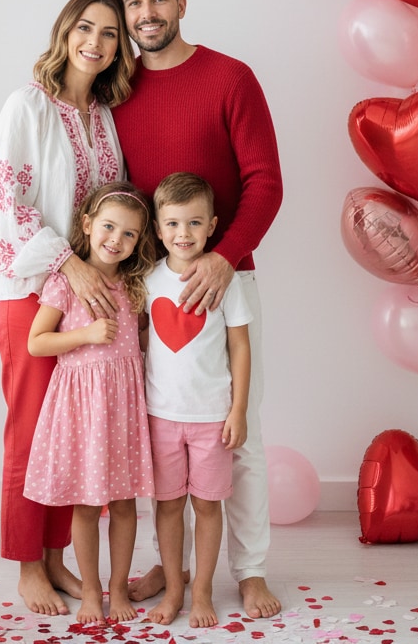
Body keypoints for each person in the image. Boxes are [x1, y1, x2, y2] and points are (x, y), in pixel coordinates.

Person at [110, 0, 283, 620]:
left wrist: (226, 256)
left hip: (225, 280)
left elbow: (266, 183)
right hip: (149, 290)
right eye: (133, 3)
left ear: (181, 5)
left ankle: (253, 569)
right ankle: (175, 571)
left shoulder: (231, 78)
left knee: (239, 434)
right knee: (163, 435)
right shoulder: (117, 90)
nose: (145, 14)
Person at [0, 0, 137, 616]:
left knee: (67, 436)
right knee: (29, 429)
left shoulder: (103, 117)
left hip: (88, 295)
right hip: (32, 291)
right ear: (65, 30)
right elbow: (5, 203)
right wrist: (67, 263)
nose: (95, 42)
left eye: (108, 34)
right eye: (86, 28)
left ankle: (55, 559)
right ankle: (27, 565)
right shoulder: (26, 106)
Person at [24, 181, 158, 624]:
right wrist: (85, 335)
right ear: (87, 224)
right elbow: (37, 342)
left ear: (140, 241)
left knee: (123, 505)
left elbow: (143, 339)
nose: (115, 240)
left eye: (129, 234)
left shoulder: (136, 284)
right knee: (85, 505)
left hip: (121, 408)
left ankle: (118, 590)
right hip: (82, 408)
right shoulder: (66, 280)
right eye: (108, 227)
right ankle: (90, 595)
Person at [142, 173, 252, 628]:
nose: (182, 234)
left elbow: (240, 347)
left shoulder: (225, 279)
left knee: (208, 506)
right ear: (158, 227)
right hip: (160, 417)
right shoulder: (148, 279)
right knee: (168, 507)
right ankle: (174, 589)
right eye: (172, 224)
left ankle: (203, 593)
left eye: (193, 223)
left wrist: (238, 410)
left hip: (211, 418)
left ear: (212, 226)